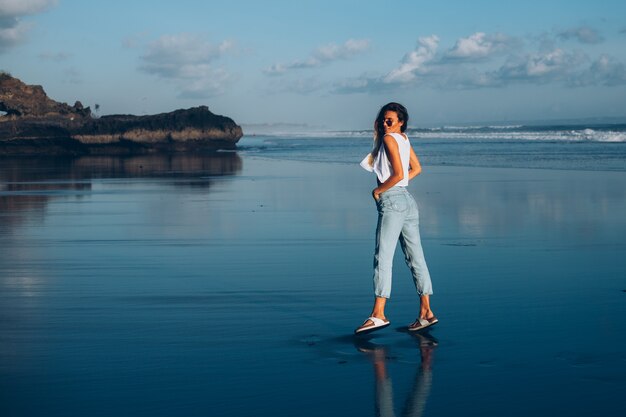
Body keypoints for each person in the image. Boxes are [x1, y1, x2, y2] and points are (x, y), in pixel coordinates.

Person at [355, 102, 437, 334]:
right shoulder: (403, 139)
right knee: (416, 258)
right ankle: (426, 313)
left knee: (383, 257)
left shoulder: (390, 140)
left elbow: (401, 173)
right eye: (383, 119)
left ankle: (379, 314)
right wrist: (400, 185)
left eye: (390, 120)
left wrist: (379, 191)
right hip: (408, 201)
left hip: (392, 201)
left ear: (401, 121)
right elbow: (416, 169)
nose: (385, 123)